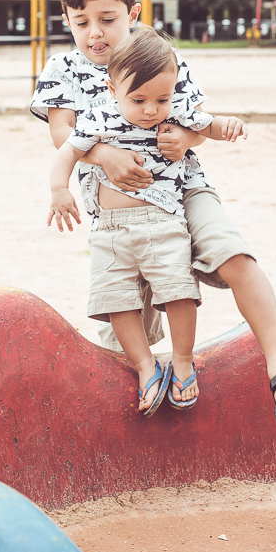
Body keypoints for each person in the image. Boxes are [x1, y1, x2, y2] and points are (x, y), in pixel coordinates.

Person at [31, 0, 276, 433]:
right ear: (67, 19)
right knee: (122, 319)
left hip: (183, 186)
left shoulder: (162, 55)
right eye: (81, 22)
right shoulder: (63, 67)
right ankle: (149, 399)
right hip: (119, 206)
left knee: (233, 254)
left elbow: (197, 121)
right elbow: (62, 132)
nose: (95, 33)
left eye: (108, 19)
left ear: (133, 13)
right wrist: (105, 155)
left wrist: (186, 139)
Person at [48, 26, 245, 416]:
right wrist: (58, 189)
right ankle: (145, 367)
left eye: (161, 99)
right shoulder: (98, 117)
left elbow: (206, 125)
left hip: (162, 221)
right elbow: (67, 152)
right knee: (116, 300)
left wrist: (228, 125)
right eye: (138, 100)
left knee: (178, 292)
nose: (152, 110)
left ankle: (183, 360)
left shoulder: (174, 110)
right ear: (112, 89)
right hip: (109, 229)